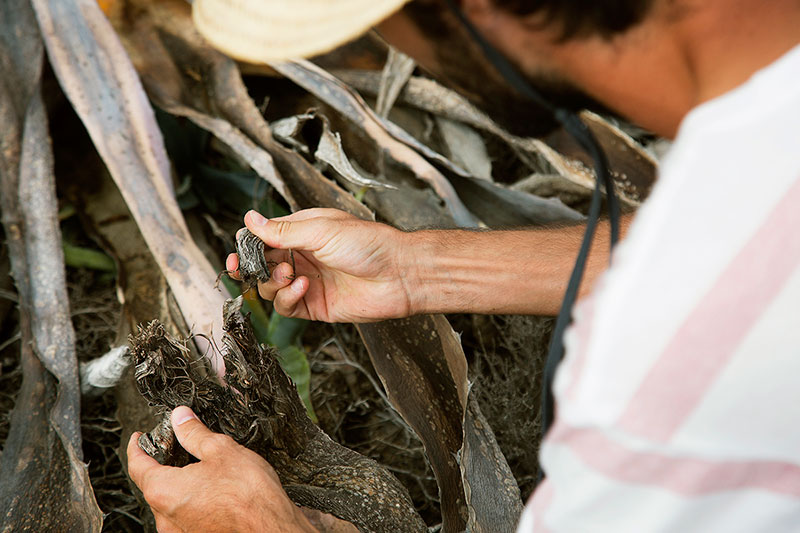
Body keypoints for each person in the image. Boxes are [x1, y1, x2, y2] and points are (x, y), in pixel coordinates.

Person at [127, 0, 800, 531]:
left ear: (475, 8)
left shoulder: (659, 390)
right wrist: (415, 268)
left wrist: (267, 526)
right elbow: (730, 248)